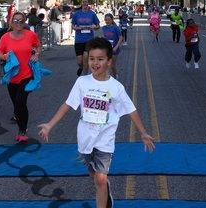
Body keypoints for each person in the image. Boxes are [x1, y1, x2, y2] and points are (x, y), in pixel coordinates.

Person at [38, 37, 155, 208]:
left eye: (100, 59)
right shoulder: (82, 82)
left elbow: (131, 109)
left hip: (105, 139)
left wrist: (143, 133)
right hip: (85, 138)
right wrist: (50, 125)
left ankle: (103, 196)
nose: (95, 63)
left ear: (109, 62)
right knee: (94, 174)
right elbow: (68, 104)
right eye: (92, 59)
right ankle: (105, 187)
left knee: (100, 178)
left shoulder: (116, 87)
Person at [0, 12, 42, 142]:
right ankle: (21, 125)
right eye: (15, 21)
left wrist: (36, 54)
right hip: (12, 77)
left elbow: (38, 46)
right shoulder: (5, 37)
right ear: (11, 22)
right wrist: (4, 57)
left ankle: (22, 130)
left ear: (24, 22)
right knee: (16, 105)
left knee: (21, 101)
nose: (18, 23)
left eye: (21, 21)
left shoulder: (30, 35)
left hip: (27, 75)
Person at [72, 0, 101, 76]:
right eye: (83, 2)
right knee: (80, 62)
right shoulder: (76, 14)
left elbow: (98, 26)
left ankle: (85, 77)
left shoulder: (92, 14)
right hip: (79, 40)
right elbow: (73, 26)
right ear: (81, 3)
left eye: (86, 2)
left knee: (85, 60)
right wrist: (78, 28)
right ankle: (81, 67)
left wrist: (93, 27)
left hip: (89, 40)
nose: (85, 3)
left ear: (88, 3)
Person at [101, 14, 124, 78]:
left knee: (112, 65)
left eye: (109, 20)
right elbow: (103, 37)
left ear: (112, 20)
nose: (107, 21)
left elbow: (120, 38)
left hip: (114, 49)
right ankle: (107, 78)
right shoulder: (103, 28)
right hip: (106, 49)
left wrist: (116, 47)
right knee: (106, 64)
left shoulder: (116, 28)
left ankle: (116, 77)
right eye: (106, 20)